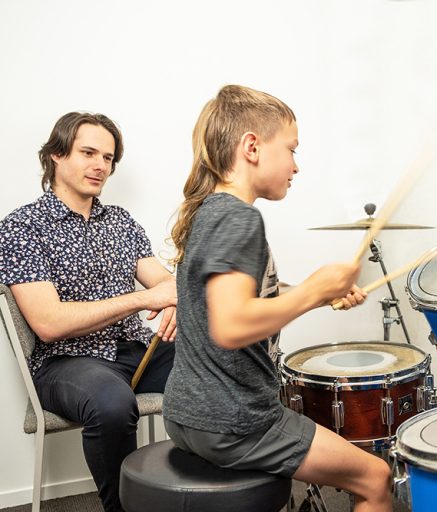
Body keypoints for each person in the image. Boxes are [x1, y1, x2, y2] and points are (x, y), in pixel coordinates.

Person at [164, 85, 392, 511]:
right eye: (291, 149)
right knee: (375, 477)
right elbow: (230, 325)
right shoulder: (239, 218)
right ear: (252, 147)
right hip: (234, 422)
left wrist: (322, 296)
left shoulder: (208, 211)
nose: (296, 166)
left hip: (186, 414)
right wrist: (313, 291)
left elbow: (231, 299)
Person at [0, 112, 178, 512]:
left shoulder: (120, 222)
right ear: (57, 155)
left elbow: (166, 285)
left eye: (109, 158)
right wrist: (139, 300)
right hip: (66, 362)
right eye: (88, 152)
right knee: (112, 404)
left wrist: (176, 300)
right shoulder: (22, 227)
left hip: (135, 351)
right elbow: (48, 323)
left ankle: (206, 490)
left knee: (220, 363)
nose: (101, 165)